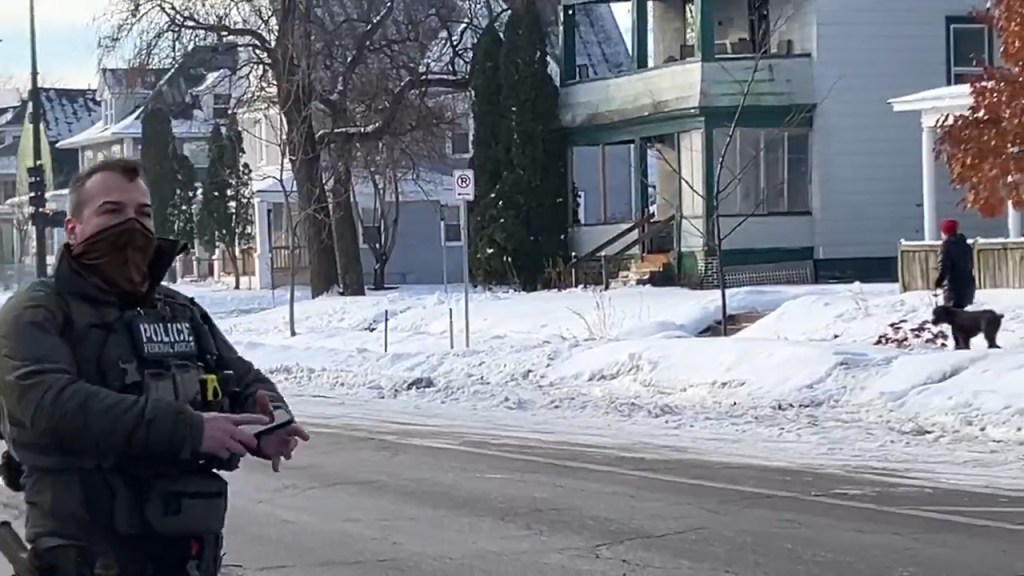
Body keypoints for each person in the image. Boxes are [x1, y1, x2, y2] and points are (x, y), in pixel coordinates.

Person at [0, 158, 310, 576]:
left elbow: (242, 376)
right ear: (73, 230)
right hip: (86, 556)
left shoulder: (178, 310)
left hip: (187, 554)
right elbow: (44, 406)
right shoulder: (38, 311)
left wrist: (270, 422)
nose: (132, 225)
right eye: (112, 211)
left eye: (142, 213)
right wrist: (191, 429)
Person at [935, 218, 976, 309]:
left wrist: (939, 281)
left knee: (952, 316)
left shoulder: (946, 247)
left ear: (945, 233)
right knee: (960, 315)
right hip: (967, 286)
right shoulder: (966, 246)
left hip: (953, 287)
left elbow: (944, 267)